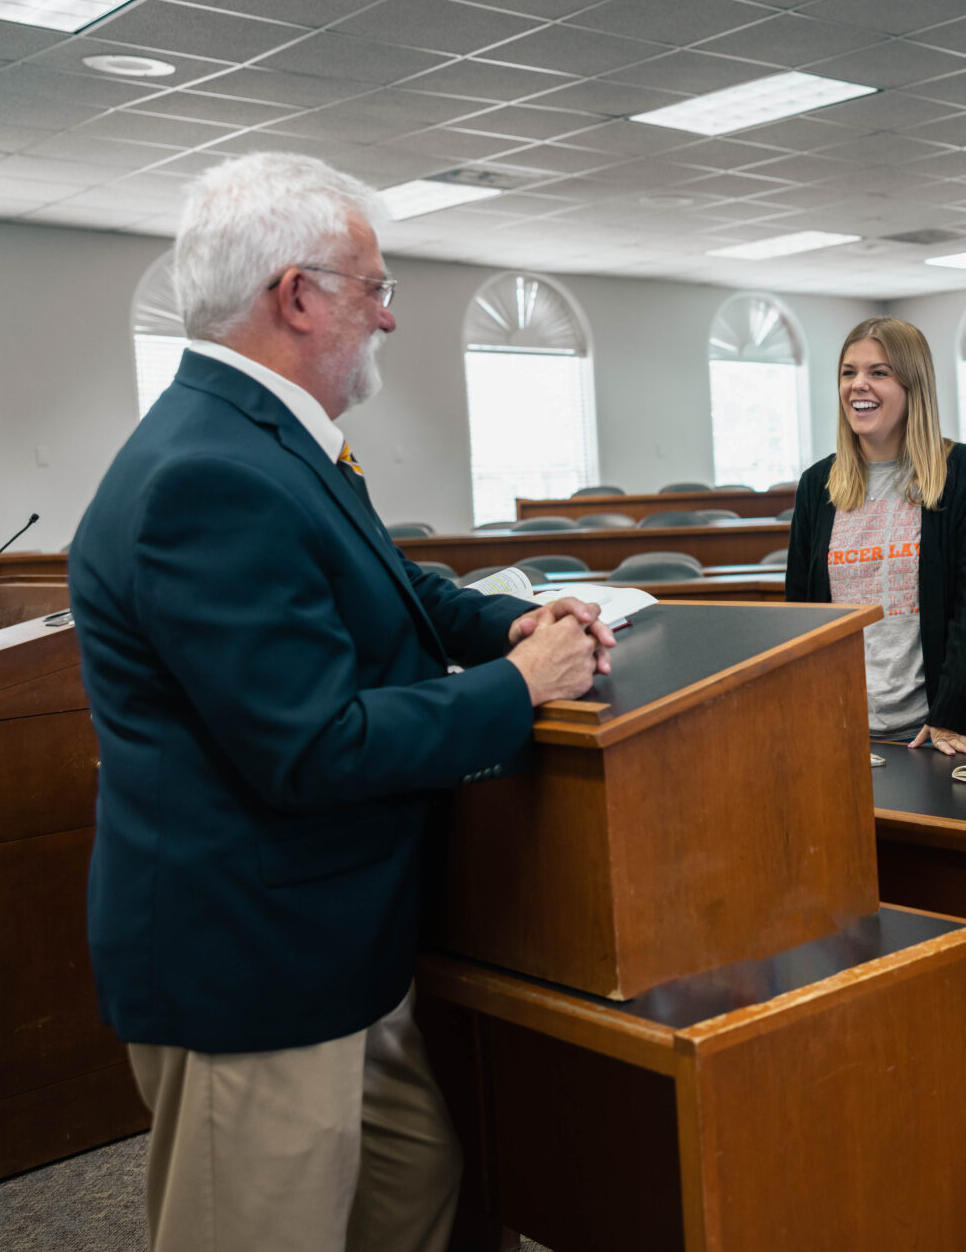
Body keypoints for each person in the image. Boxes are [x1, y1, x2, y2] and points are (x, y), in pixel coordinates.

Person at [70, 152, 616, 1252]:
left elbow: (373, 579)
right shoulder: (205, 474)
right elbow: (313, 745)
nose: (388, 318)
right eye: (374, 288)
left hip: (331, 945)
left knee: (414, 1179)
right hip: (252, 971)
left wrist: (493, 624)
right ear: (298, 295)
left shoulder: (262, 439)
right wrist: (519, 687)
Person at [785, 317, 966, 754]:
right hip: (843, 730)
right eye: (848, 373)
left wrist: (948, 716)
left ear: (914, 385)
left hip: (941, 732)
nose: (858, 385)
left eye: (879, 373)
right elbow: (800, 615)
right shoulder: (818, 485)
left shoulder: (963, 471)